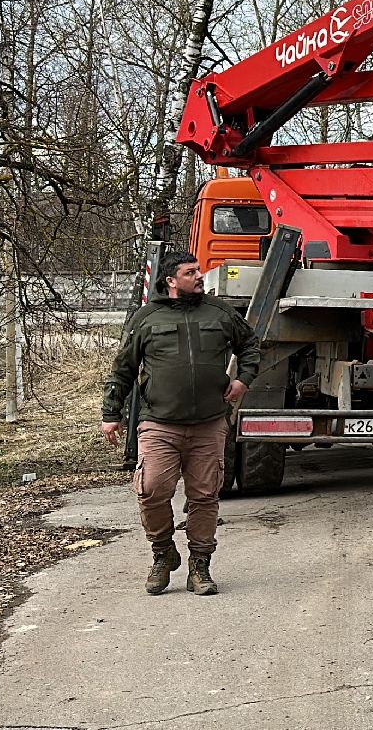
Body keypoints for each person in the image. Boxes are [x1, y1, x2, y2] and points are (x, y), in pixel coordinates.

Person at [101, 251, 259, 596]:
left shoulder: (219, 312)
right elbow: (123, 367)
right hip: (160, 423)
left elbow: (250, 344)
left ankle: (200, 567)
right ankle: (163, 553)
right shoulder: (148, 318)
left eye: (199, 270)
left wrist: (244, 378)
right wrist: (111, 414)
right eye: (191, 272)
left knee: (204, 496)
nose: (200, 276)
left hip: (209, 423)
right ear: (171, 281)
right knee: (152, 490)